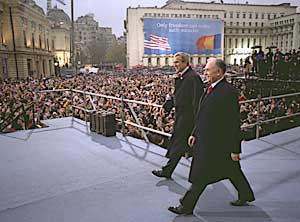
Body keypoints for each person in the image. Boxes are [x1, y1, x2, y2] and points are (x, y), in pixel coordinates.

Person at [168, 58, 255, 215]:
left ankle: (186, 205)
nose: (205, 72)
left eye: (208, 70)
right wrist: (194, 132)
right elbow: (202, 114)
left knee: (201, 176)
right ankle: (246, 194)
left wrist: (235, 149)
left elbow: (233, 123)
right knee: (232, 170)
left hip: (217, 144)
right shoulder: (209, 88)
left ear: (219, 72)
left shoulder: (228, 92)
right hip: (207, 140)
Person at [152, 52, 204, 179]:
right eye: (174, 62)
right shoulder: (180, 77)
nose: (174, 64)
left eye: (177, 62)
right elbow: (176, 96)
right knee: (180, 145)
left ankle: (168, 171)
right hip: (181, 116)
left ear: (185, 62)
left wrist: (197, 124)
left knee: (182, 144)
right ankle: (168, 170)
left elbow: (198, 102)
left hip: (189, 119)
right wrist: (166, 107)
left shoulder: (193, 78)